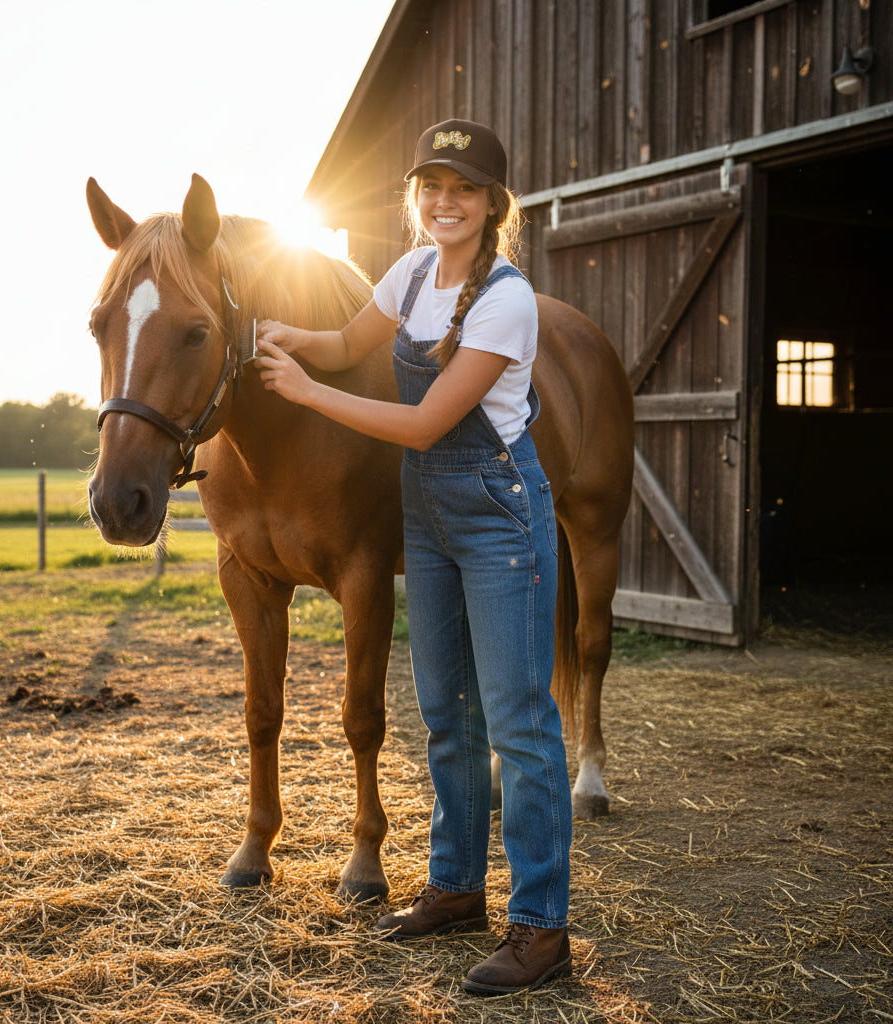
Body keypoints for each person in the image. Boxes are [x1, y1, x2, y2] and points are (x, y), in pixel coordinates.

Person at [255, 119, 573, 996]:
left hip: (497, 513)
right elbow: (345, 346)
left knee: (519, 724)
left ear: (493, 204)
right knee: (446, 711)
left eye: (464, 188)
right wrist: (286, 336)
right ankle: (456, 888)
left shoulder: (506, 299)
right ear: (416, 197)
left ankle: (542, 929)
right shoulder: (408, 273)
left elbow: (428, 424)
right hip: (426, 516)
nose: (445, 201)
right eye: (432, 186)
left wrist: (308, 394)